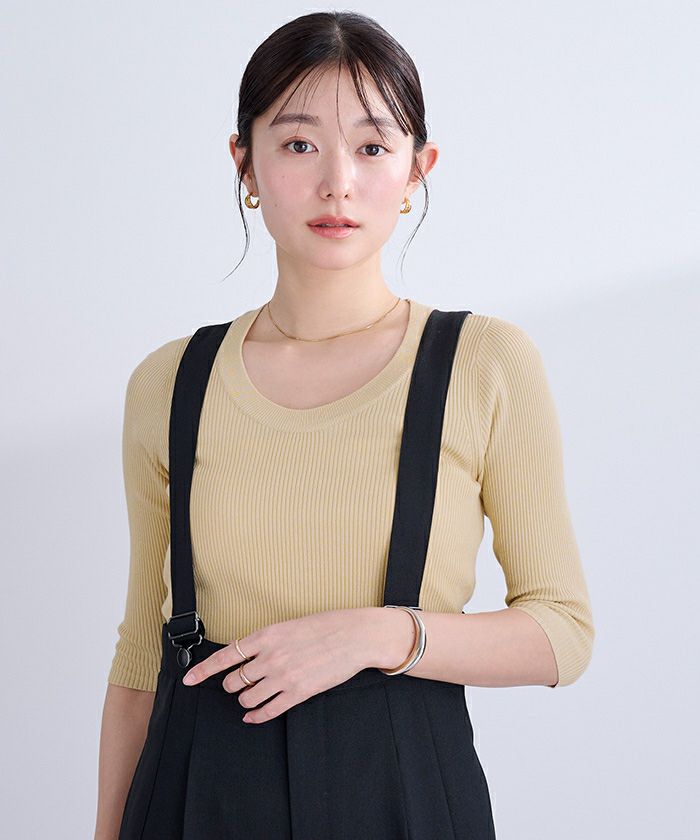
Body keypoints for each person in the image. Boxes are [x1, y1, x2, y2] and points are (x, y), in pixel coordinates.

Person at [94, 10, 594, 840]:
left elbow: (562, 632)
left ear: (417, 169)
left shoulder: (485, 363)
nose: (337, 182)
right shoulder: (170, 382)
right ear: (244, 163)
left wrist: (379, 635)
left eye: (371, 146)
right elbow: (141, 660)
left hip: (404, 793)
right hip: (196, 795)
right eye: (299, 144)